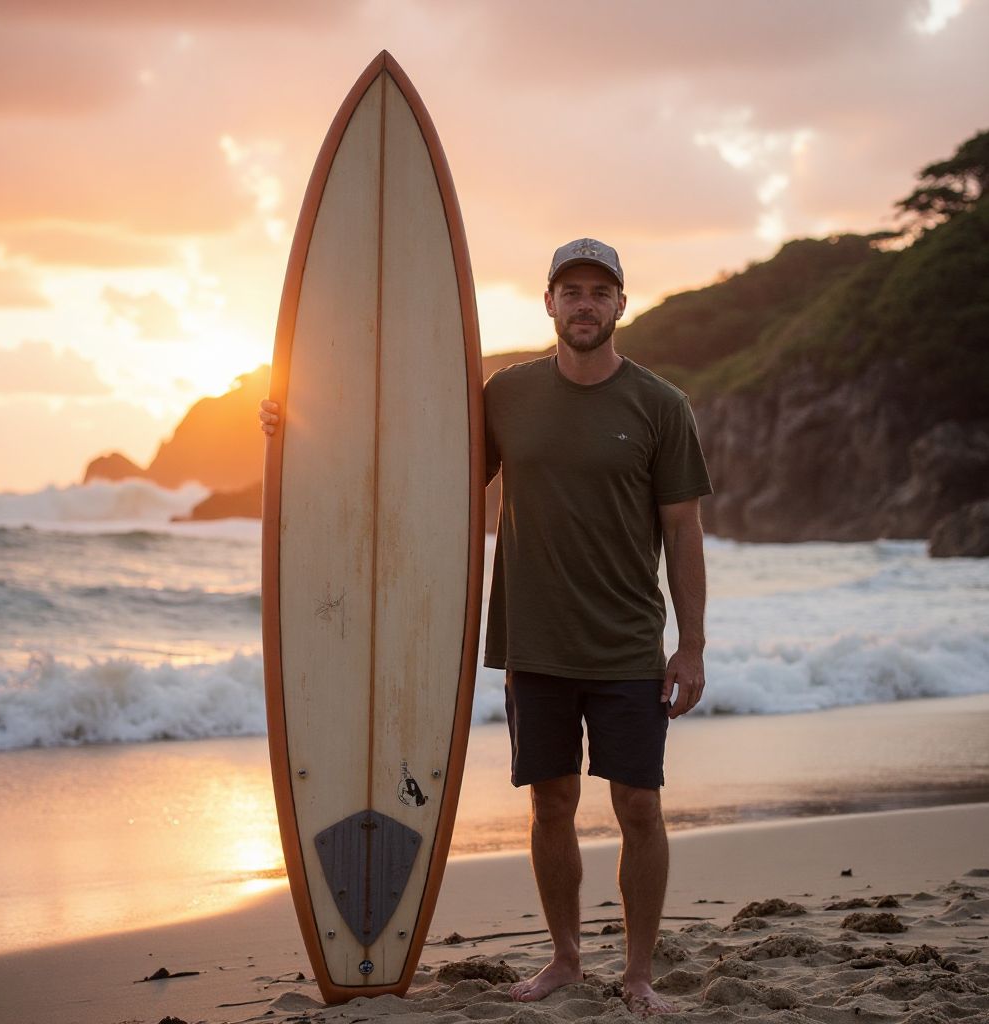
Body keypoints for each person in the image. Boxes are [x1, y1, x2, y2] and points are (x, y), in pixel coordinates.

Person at [258, 238, 712, 1017]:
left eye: (599, 292)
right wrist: (297, 422)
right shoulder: (507, 396)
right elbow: (418, 465)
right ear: (548, 303)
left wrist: (692, 645)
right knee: (551, 804)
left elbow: (683, 531)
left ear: (620, 306)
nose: (584, 304)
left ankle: (638, 973)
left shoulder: (660, 406)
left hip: (628, 644)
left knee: (639, 806)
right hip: (533, 643)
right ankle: (567, 959)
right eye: (570, 291)